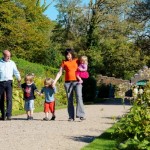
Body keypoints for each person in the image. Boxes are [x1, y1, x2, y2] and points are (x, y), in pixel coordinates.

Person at [52, 48, 85, 121]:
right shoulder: (64, 62)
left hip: (77, 82)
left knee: (79, 97)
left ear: (72, 54)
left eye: (69, 55)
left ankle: (81, 115)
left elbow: (84, 64)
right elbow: (60, 72)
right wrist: (54, 81)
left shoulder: (77, 60)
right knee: (69, 100)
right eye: (66, 55)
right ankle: (71, 117)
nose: (68, 56)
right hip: (68, 83)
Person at [0, 50, 21, 120]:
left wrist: (19, 78)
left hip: (9, 82)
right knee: (1, 99)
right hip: (1, 82)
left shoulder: (12, 63)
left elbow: (15, 71)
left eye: (9, 56)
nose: (9, 57)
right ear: (3, 56)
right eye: (7, 56)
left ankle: (9, 115)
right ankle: (3, 115)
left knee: (9, 98)